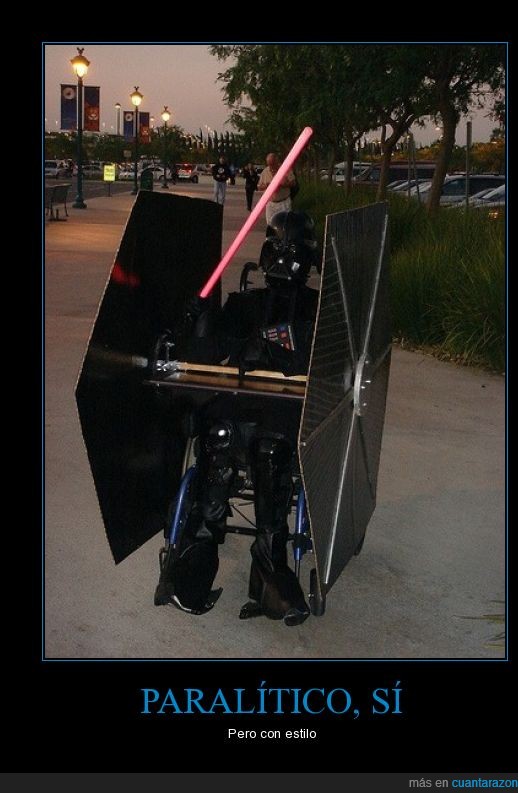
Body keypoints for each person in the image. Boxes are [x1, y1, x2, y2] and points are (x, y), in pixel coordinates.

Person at [162, 211, 320, 627]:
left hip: (286, 410)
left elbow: (321, 362)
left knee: (270, 448)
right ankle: (198, 553)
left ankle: (270, 562)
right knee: (216, 435)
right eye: (277, 248)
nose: (283, 257)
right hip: (238, 403)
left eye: (292, 250)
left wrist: (275, 347)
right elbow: (208, 353)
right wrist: (197, 321)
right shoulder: (244, 304)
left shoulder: (320, 309)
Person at [258, 153, 296, 231]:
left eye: (272, 164)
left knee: (285, 225)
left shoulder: (285, 169)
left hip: (283, 202)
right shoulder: (265, 171)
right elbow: (259, 186)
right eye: (269, 164)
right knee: (270, 225)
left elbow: (293, 183)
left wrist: (283, 185)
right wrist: (266, 186)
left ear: (277, 161)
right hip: (271, 203)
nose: (271, 167)